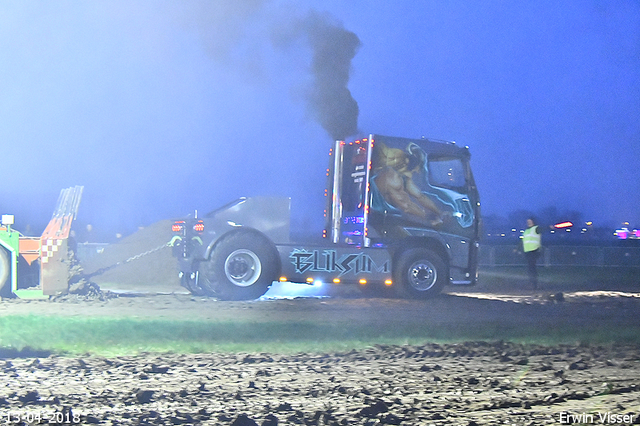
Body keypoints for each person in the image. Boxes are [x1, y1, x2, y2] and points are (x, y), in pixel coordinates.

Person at [522, 217, 542, 289]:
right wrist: (517, 248)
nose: (528, 222)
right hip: (528, 251)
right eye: (528, 221)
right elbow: (523, 240)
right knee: (530, 268)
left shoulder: (536, 228)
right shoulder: (527, 231)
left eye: (530, 221)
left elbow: (543, 229)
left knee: (532, 268)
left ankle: (534, 284)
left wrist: (550, 227)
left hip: (534, 250)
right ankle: (532, 283)